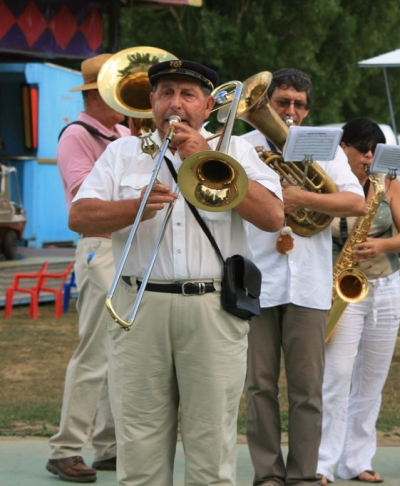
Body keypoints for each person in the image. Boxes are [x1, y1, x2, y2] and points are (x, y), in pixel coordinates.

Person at [68, 59, 284, 486]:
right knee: (139, 441)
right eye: (166, 93)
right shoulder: (123, 152)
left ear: (207, 105)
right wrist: (135, 207)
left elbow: (274, 216)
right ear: (151, 103)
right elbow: (80, 216)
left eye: (187, 95)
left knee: (211, 444)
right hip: (139, 305)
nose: (175, 104)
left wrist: (202, 155)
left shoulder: (238, 150)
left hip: (212, 308)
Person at [242, 68, 366, 486]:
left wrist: (299, 197)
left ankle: (303, 475)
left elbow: (356, 202)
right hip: (256, 278)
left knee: (308, 388)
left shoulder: (324, 148)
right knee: (258, 386)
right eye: (281, 102)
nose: (289, 110)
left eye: (298, 104)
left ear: (308, 109)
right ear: (268, 104)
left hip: (309, 283)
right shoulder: (243, 146)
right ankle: (267, 474)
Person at [317, 118, 400, 485]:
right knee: (336, 376)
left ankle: (357, 460)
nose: (369, 155)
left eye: (374, 148)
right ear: (341, 148)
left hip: (385, 285)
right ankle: (322, 464)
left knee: (371, 379)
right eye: (361, 148)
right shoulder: (321, 181)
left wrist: (382, 244)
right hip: (339, 284)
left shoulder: (386, 182)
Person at [47, 53, 129, 483]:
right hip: (99, 244)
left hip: (126, 244)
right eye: (123, 91)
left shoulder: (120, 132)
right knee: (95, 351)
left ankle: (110, 446)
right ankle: (64, 448)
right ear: (100, 93)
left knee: (122, 351)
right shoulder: (76, 135)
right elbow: (84, 195)